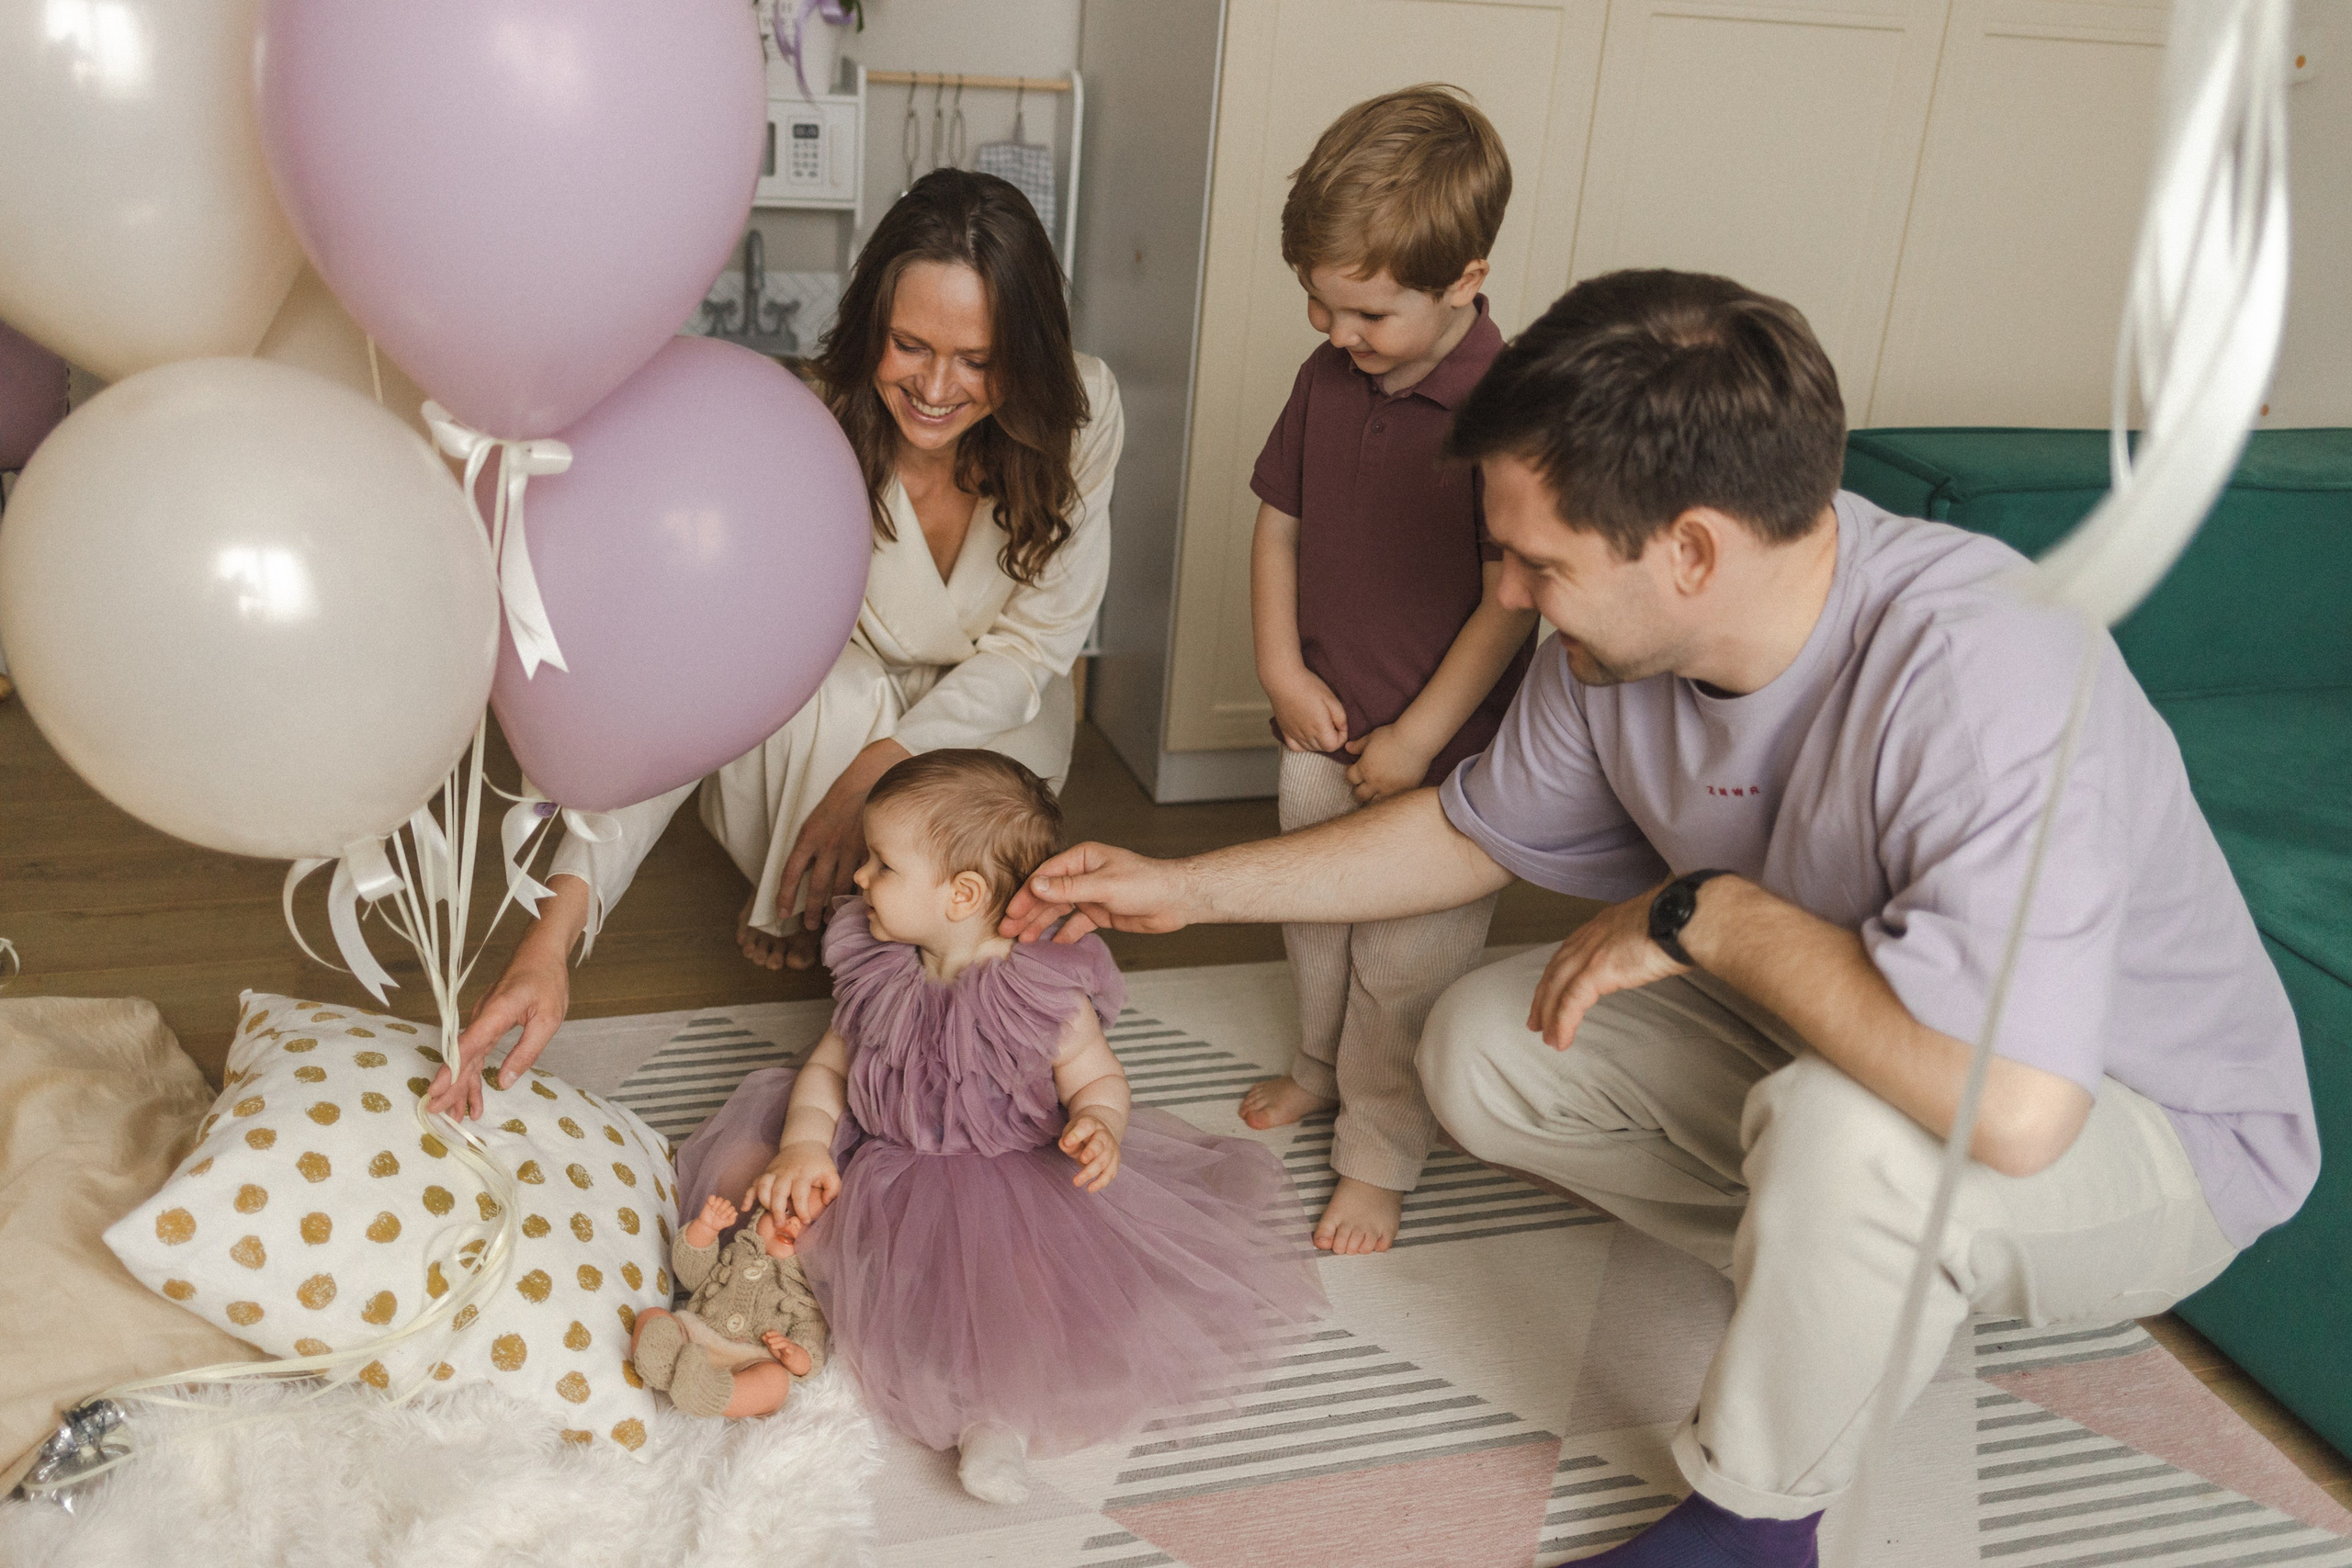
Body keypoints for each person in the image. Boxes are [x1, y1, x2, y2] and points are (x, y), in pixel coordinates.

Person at [1001, 271, 2319, 1565]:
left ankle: (1754, 1524)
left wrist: (1715, 914)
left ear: (1690, 549)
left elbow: (2020, 1109)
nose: (1504, 592)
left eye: (1536, 559)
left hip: (2141, 1124)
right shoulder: (1616, 644)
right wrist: (1188, 885)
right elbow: (1467, 830)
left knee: (1844, 1139)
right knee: (1481, 1042)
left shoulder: (1991, 674)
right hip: (1868, 1041)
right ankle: (1846, 1292)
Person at [427, 169, 1123, 1121]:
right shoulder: (806, 423)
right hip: (821, 705)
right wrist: (550, 942)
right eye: (910, 345)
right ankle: (813, 900)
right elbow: (677, 681)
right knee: (831, 690)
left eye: (977, 359)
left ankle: (853, 905)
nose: (934, 387)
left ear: (1031, 355)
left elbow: (1034, 650)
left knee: (961, 830)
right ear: (869, 323)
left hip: (997, 714)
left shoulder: (1084, 410)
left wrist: (877, 775)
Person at [676, 750, 1325, 1503]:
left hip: (1005, 1175)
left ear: (963, 893)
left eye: (882, 864)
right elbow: (827, 1068)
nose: (860, 879)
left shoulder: (1042, 991)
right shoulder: (880, 967)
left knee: (1009, 1289)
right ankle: (771, 1315)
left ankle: (997, 1420)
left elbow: (1099, 1076)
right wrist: (804, 1143)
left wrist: (1099, 1123)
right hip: (877, 1151)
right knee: (755, 1187)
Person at [1244, 85, 1537, 1255]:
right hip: (1320, 721)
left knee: (1404, 969)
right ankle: (1317, 1069)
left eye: (1364, 312)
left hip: (1446, 761)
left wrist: (1419, 740)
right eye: (1318, 303)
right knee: (1312, 925)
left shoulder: (1509, 411)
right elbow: (1279, 525)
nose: (1334, 333)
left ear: (1462, 279)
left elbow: (1511, 598)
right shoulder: (1326, 380)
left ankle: (1379, 1149)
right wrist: (1276, 667)